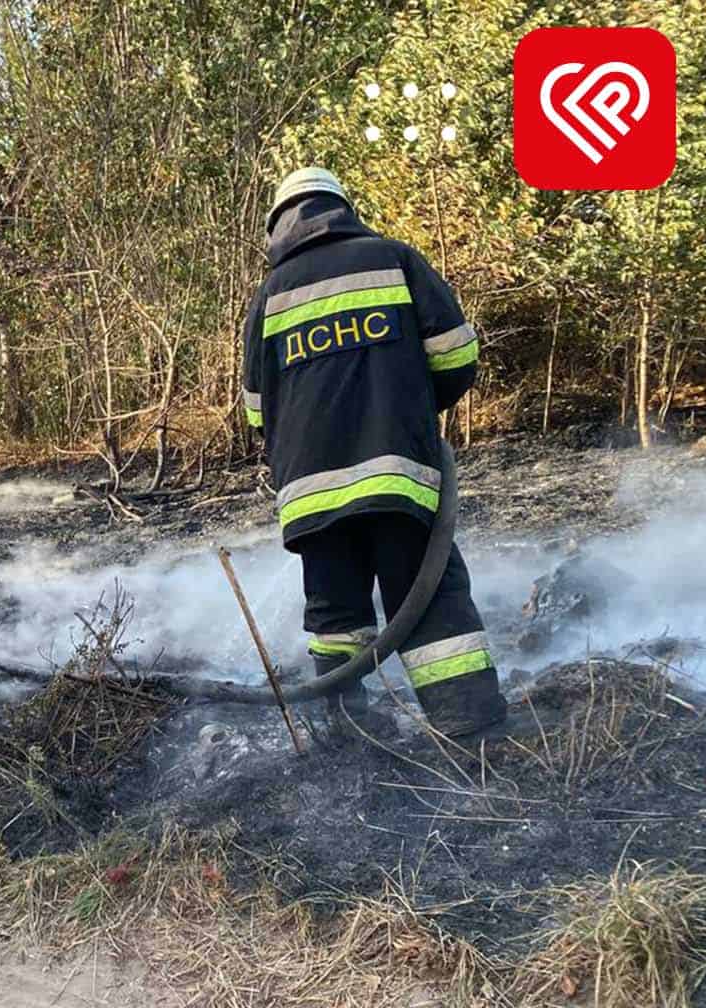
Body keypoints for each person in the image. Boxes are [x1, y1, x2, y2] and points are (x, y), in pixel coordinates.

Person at [240, 167, 507, 738]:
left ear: (277, 228)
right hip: (398, 475)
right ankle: (468, 724)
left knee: (335, 613)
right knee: (427, 595)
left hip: (310, 496)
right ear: (342, 207)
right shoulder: (393, 259)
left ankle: (345, 732)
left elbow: (258, 413)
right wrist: (409, 405)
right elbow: (457, 357)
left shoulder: (269, 298)